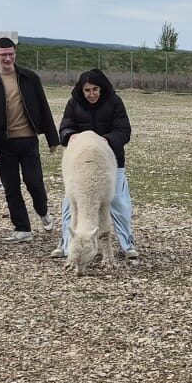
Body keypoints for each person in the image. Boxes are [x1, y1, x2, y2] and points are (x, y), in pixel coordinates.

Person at [52, 69, 137, 260]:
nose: (91, 94)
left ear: (102, 88)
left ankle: (127, 243)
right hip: (80, 165)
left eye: (95, 89)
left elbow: (123, 130)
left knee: (119, 202)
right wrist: (70, 136)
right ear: (81, 90)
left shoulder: (114, 102)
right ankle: (68, 243)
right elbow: (65, 127)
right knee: (72, 203)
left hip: (110, 163)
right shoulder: (74, 103)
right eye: (87, 90)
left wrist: (107, 140)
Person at [0, 37, 59, 244]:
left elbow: (43, 105)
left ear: (15, 53)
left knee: (34, 182)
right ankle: (22, 228)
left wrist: (52, 138)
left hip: (28, 140)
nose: (7, 58)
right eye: (3, 54)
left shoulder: (29, 78)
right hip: (4, 144)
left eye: (11, 54)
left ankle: (43, 211)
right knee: (11, 187)